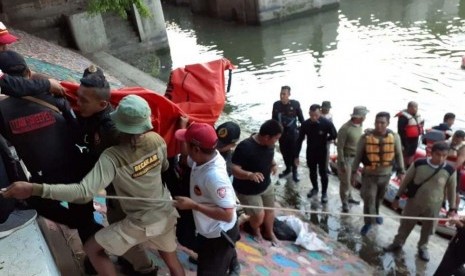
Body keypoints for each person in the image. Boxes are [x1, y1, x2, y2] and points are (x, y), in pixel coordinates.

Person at [2, 95, 185, 276]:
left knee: (92, 249)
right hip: (166, 214)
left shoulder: (112, 156)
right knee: (173, 263)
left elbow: (83, 193)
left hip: (140, 222)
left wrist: (34, 189)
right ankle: (146, 268)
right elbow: (164, 168)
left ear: (118, 124)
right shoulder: (157, 140)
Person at [0, 50, 101, 246]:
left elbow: (8, 145)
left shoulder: (2, 112)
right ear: (28, 73)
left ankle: (82, 226)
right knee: (83, 212)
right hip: (73, 169)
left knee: (40, 204)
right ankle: (89, 236)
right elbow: (76, 133)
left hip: (42, 175)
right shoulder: (55, 98)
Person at [174, 122, 239, 276]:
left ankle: (231, 263)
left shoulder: (215, 176)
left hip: (219, 235)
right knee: (205, 259)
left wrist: (194, 205)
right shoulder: (203, 158)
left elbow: (227, 213)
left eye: (187, 144)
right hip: (207, 231)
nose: (186, 149)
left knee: (208, 271)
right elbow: (184, 160)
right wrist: (183, 126)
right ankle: (230, 260)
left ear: (196, 149)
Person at [384, 142, 457, 262]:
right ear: (431, 153)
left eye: (444, 156)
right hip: (414, 201)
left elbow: (451, 191)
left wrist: (452, 209)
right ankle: (397, 243)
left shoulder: (450, 170)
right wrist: (397, 198)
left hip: (434, 205)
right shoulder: (419, 164)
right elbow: (406, 181)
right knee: (406, 224)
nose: (441, 158)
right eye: (438, 155)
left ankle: (423, 247)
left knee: (428, 229)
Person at [351, 112, 405, 235]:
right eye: (377, 122)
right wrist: (353, 172)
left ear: (388, 123)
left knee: (379, 198)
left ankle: (376, 213)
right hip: (369, 175)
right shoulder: (365, 138)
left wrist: (402, 171)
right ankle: (368, 222)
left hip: (385, 175)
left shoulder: (395, 137)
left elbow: (398, 154)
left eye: (382, 123)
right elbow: (358, 156)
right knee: (369, 198)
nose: (379, 125)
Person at [231, 119, 282, 245]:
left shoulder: (270, 144)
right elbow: (234, 168)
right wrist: (249, 175)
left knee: (270, 210)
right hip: (248, 190)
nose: (276, 141)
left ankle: (269, 232)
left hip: (266, 184)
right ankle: (255, 229)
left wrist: (274, 164)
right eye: (275, 138)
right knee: (259, 216)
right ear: (266, 137)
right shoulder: (245, 147)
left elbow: (269, 155)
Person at [296, 104, 337, 203]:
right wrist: (296, 155)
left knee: (323, 173)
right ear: (309, 113)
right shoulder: (305, 124)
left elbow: (334, 134)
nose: (314, 117)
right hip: (310, 151)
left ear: (320, 113)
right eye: (312, 115)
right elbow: (299, 140)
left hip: (322, 151)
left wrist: (327, 139)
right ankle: (315, 188)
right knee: (312, 171)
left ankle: (324, 193)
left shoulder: (326, 123)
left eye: (316, 115)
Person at [336, 106, 369, 212]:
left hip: (355, 158)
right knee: (345, 182)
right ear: (359, 117)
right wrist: (341, 163)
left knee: (351, 180)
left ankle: (349, 197)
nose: (365, 117)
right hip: (346, 158)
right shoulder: (345, 129)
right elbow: (340, 147)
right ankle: (344, 202)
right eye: (364, 115)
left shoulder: (360, 125)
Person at [272, 85, 304, 182]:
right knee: (284, 153)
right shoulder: (276, 105)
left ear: (289, 94)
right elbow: (273, 119)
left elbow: (302, 119)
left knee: (294, 154)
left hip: (293, 134)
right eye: (281, 94)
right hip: (282, 135)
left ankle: (295, 171)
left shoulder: (295, 104)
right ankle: (288, 169)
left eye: (284, 94)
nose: (282, 96)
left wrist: (303, 131)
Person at [396, 101, 424, 167]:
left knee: (412, 153)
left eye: (417, 107)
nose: (416, 109)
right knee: (405, 154)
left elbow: (418, 125)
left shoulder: (416, 116)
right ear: (409, 108)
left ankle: (408, 166)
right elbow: (400, 131)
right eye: (414, 107)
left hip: (415, 139)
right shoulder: (403, 117)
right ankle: (402, 167)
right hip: (406, 140)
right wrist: (404, 144)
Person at [321, 101, 334, 174]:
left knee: (327, 153)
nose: (327, 110)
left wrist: (332, 137)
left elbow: (331, 127)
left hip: (327, 137)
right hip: (318, 136)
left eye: (328, 108)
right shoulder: (318, 114)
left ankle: (326, 168)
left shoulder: (330, 116)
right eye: (326, 108)